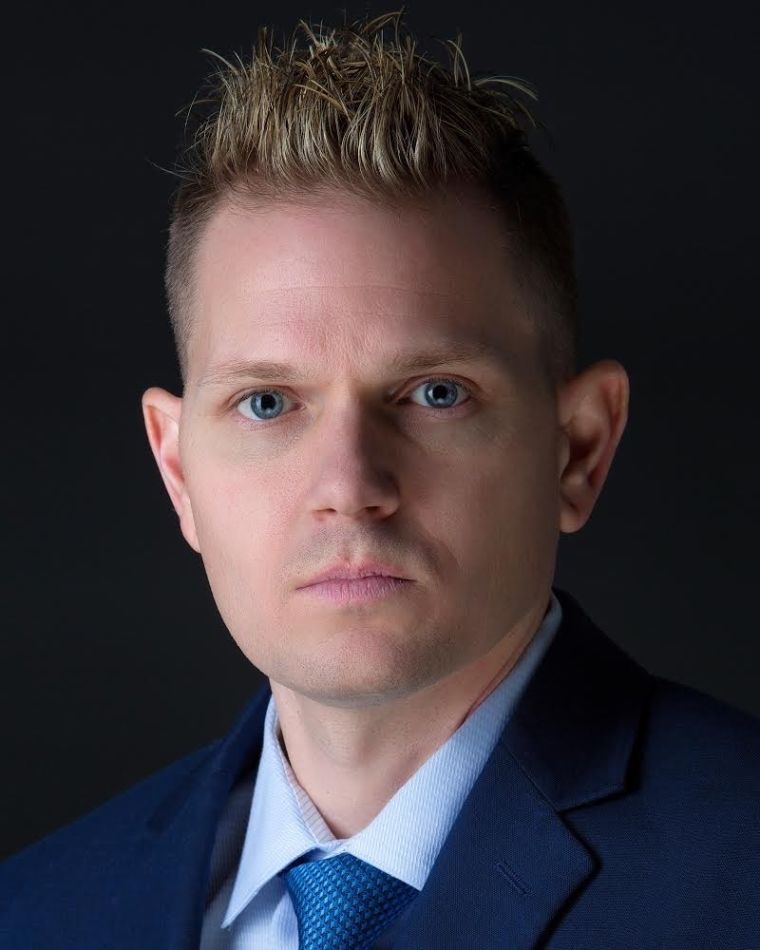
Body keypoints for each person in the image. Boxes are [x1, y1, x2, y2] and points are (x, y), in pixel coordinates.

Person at [1, 9, 758, 949]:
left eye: (435, 393)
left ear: (578, 450)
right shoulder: (35, 915)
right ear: (178, 469)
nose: (350, 485)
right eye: (268, 403)